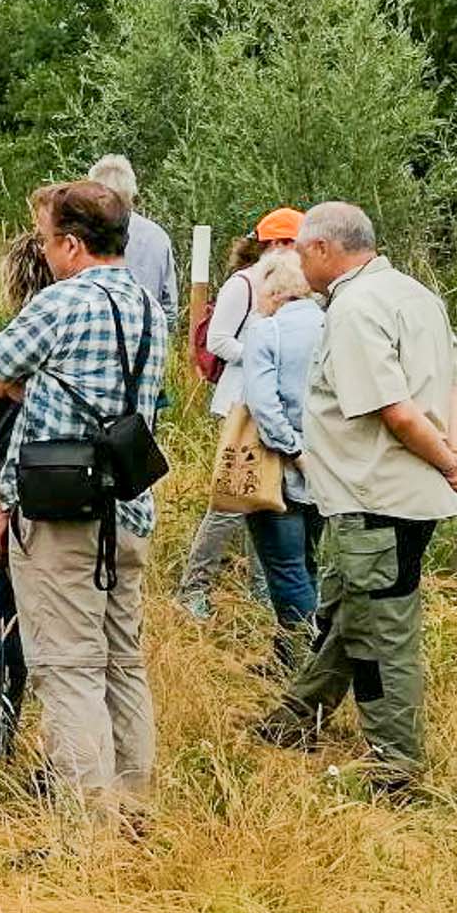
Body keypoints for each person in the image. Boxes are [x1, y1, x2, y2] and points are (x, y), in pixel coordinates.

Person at [252, 202, 457, 794]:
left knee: (381, 630)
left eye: (298, 250)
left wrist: (451, 466)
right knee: (347, 609)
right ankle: (293, 721)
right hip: (401, 494)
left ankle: (396, 765)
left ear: (320, 249)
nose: (294, 261)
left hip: (377, 496)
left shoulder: (357, 308)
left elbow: (395, 411)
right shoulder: (416, 294)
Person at [0, 181, 167, 815]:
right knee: (122, 661)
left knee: (68, 668)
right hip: (127, 507)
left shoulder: (61, 304)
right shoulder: (148, 309)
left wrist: (34, 392)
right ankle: (133, 804)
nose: (46, 253)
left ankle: (86, 825)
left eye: (49, 240)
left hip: (61, 510)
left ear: (73, 244)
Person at [172, 211, 298, 618]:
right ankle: (194, 589)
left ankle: (260, 591)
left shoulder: (295, 288)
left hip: (273, 406)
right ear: (276, 245)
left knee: (264, 498)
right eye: (294, 243)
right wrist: (266, 358)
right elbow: (219, 340)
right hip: (241, 407)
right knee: (232, 499)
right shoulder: (242, 285)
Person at [0, 229, 51, 760]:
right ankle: (1, 724)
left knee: (5, 606)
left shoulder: (31, 334)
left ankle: (0, 726)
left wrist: (2, 505)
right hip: (54, 495)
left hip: (29, 498)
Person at [234, 248, 325, 676]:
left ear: (272, 290)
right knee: (308, 562)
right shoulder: (332, 327)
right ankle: (287, 658)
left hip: (278, 472)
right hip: (328, 471)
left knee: (286, 570)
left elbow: (263, 404)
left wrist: (292, 448)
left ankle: (312, 668)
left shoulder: (266, 331)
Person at [86, 154, 178, 340]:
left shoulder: (86, 234)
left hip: (94, 338)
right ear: (131, 193)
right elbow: (169, 308)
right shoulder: (158, 237)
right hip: (146, 343)